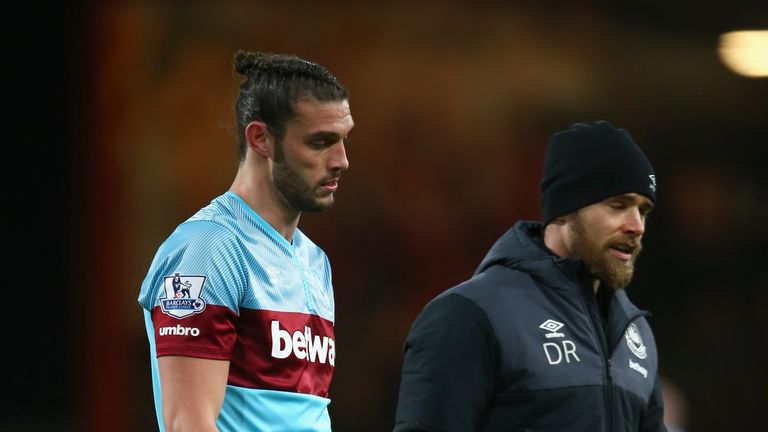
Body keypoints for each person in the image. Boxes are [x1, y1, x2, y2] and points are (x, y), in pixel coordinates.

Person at [394, 121, 666, 431]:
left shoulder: (635, 333)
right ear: (565, 209)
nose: (637, 225)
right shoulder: (473, 313)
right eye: (619, 205)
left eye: (644, 210)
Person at [138, 50, 353, 432]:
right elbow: (188, 425)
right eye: (320, 143)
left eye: (343, 140)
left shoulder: (314, 260)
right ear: (261, 139)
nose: (341, 160)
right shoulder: (207, 250)